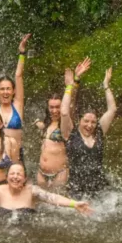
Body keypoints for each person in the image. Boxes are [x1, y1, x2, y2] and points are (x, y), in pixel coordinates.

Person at [0, 163, 93, 217]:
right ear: (7, 177)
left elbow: (52, 198)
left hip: (29, 231)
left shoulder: (32, 191)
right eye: (12, 174)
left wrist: (74, 204)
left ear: (25, 177)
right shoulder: (0, 190)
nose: (15, 177)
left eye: (19, 174)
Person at [60, 67, 117, 198]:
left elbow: (112, 110)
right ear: (79, 120)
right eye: (86, 121)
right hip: (76, 189)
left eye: (93, 122)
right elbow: (64, 112)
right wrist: (69, 87)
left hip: (99, 187)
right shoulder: (70, 133)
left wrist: (106, 86)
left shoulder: (99, 131)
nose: (90, 125)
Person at [35, 58, 91, 188]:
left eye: (57, 107)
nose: (55, 110)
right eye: (51, 107)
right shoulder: (46, 123)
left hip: (59, 173)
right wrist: (37, 122)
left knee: (59, 207)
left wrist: (75, 81)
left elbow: (70, 103)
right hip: (41, 173)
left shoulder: (66, 122)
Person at [0, 32, 31, 162]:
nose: (5, 92)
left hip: (16, 157)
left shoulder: (17, 105)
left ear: (13, 91)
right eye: (2, 89)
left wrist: (22, 53)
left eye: (8, 89)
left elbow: (18, 76)